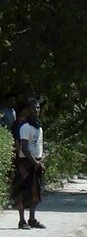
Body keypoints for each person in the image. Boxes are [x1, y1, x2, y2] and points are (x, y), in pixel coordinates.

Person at [12, 98, 46, 230]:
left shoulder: (38, 126)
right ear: (27, 110)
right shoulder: (25, 127)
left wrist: (40, 160)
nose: (36, 110)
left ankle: (32, 219)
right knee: (22, 192)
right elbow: (24, 149)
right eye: (33, 108)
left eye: (38, 108)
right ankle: (22, 221)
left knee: (35, 193)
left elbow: (38, 145)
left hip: (36, 162)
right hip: (27, 162)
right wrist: (35, 162)